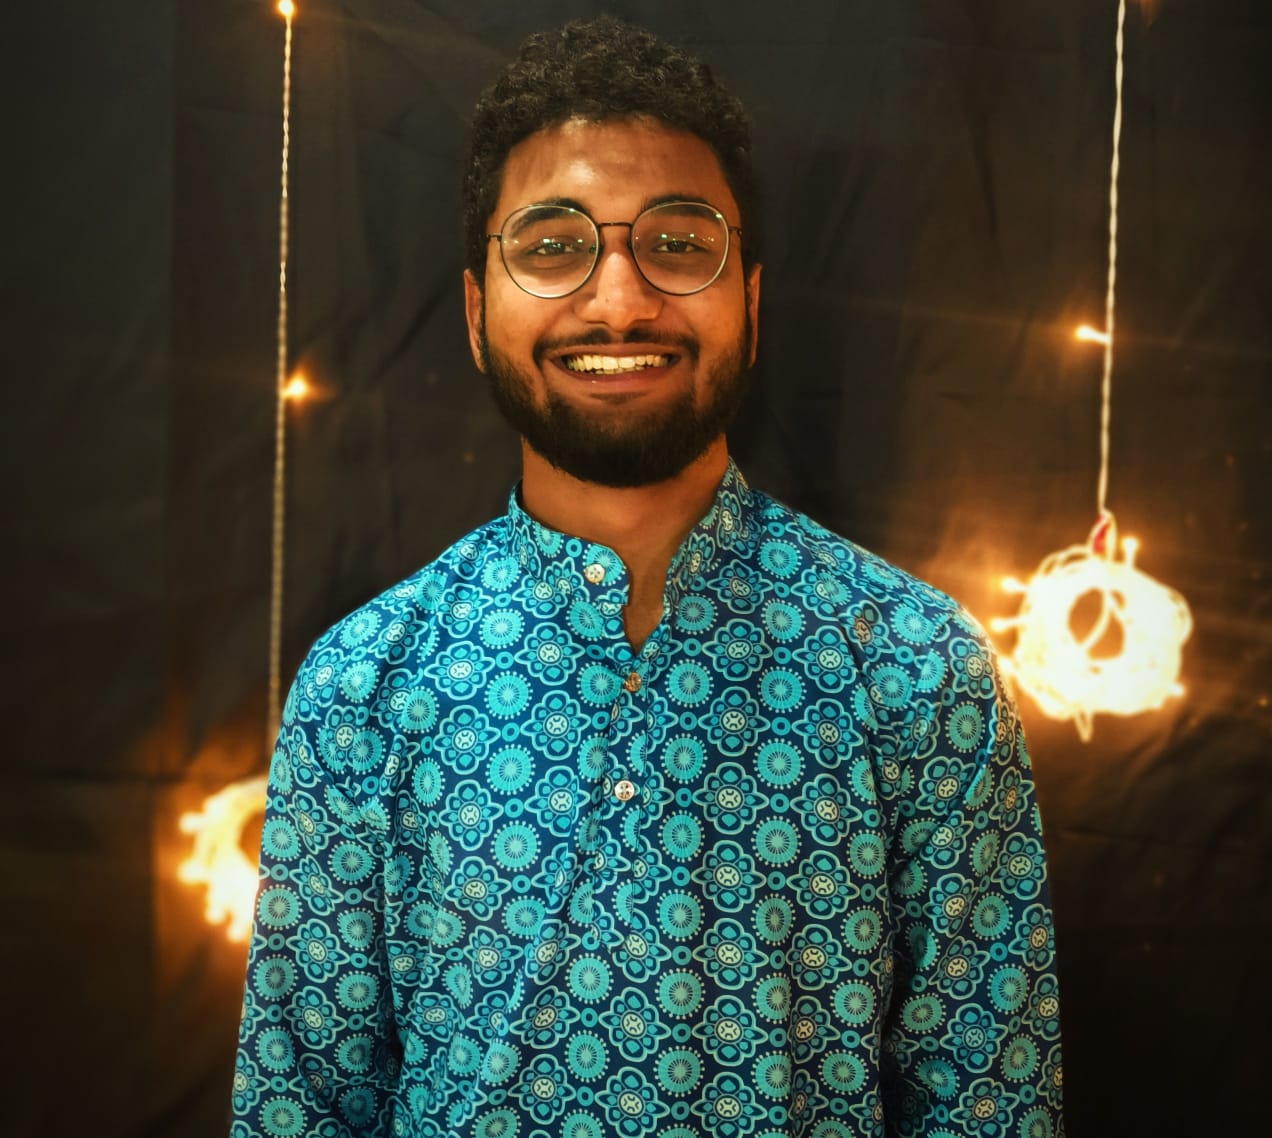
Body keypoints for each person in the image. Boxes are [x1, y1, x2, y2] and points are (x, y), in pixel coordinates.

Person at [232, 16, 1064, 1138]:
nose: (617, 300)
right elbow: (301, 1111)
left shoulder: (918, 668)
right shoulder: (365, 688)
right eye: (552, 243)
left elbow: (992, 1110)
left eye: (677, 244)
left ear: (752, 303)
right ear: (478, 314)